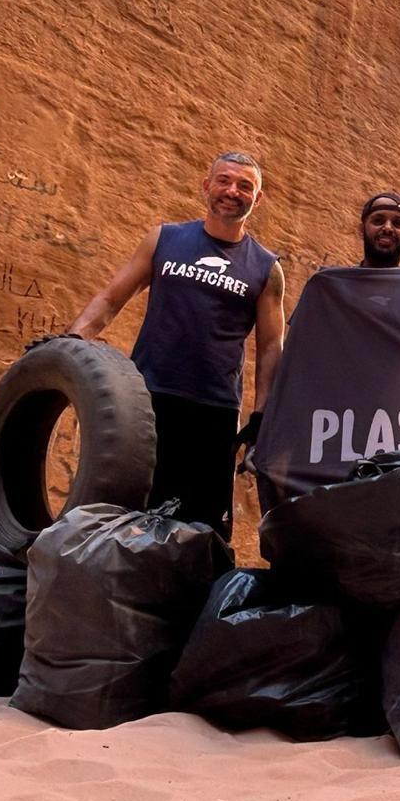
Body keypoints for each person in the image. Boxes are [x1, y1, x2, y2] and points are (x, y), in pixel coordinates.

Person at [67, 151, 284, 538]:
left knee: (200, 530)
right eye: (224, 181)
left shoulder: (267, 267)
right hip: (148, 398)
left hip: (215, 412)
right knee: (128, 513)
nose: (232, 191)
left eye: (245, 186)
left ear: (257, 198)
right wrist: (70, 342)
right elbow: (111, 299)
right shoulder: (165, 239)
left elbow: (270, 348)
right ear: (206, 186)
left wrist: (261, 418)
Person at [359, 191, 400, 267]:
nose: (387, 228)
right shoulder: (341, 278)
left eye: (398, 223)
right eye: (378, 221)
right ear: (362, 230)